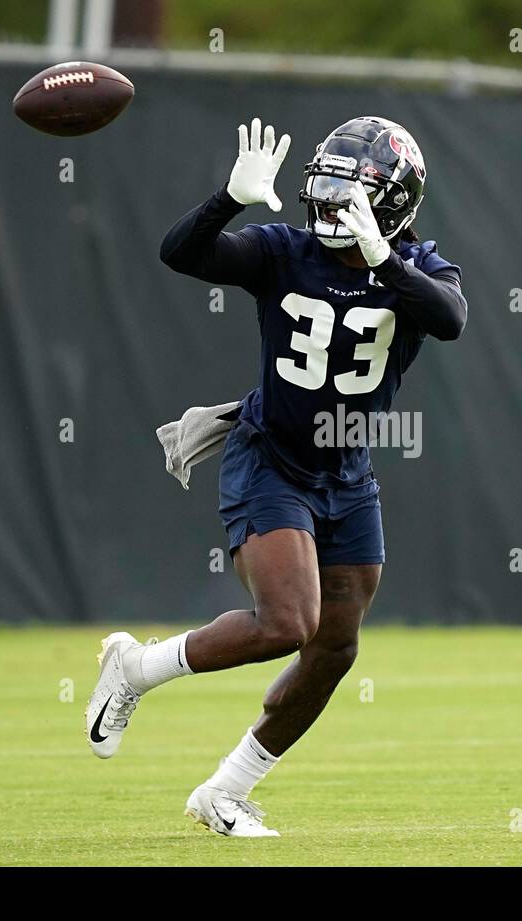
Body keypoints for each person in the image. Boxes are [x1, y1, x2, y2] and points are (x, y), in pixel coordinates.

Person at [85, 116, 466, 836]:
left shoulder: (418, 267)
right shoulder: (282, 253)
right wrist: (227, 199)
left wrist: (386, 261)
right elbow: (182, 254)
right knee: (289, 624)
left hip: (348, 472)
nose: (329, 209)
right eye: (327, 192)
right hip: (271, 457)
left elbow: (449, 319)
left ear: (395, 207)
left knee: (335, 649)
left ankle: (224, 792)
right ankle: (136, 668)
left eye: (351, 198)